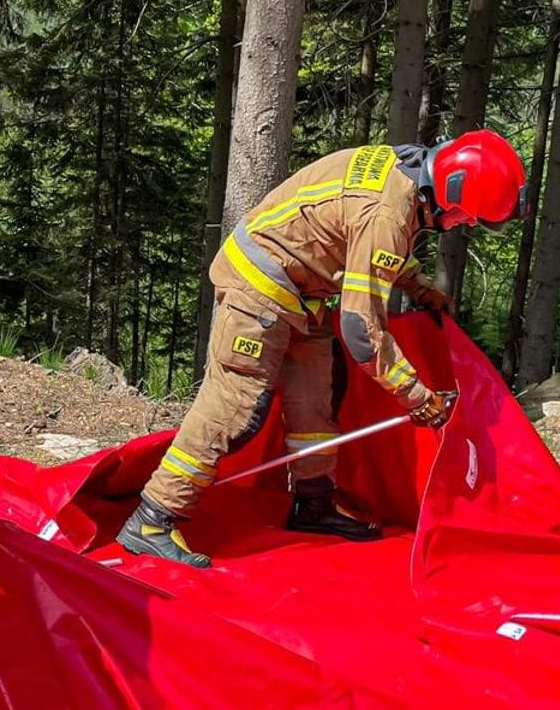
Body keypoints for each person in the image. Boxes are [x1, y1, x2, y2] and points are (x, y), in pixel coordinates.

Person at [118, 130, 526, 568]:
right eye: (466, 217)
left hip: (301, 290)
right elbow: (360, 327)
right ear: (452, 193)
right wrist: (414, 393)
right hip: (259, 288)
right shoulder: (389, 211)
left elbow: (364, 241)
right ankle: (153, 517)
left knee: (316, 400)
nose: (463, 224)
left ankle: (313, 504)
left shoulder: (402, 176)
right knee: (234, 408)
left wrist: (420, 287)